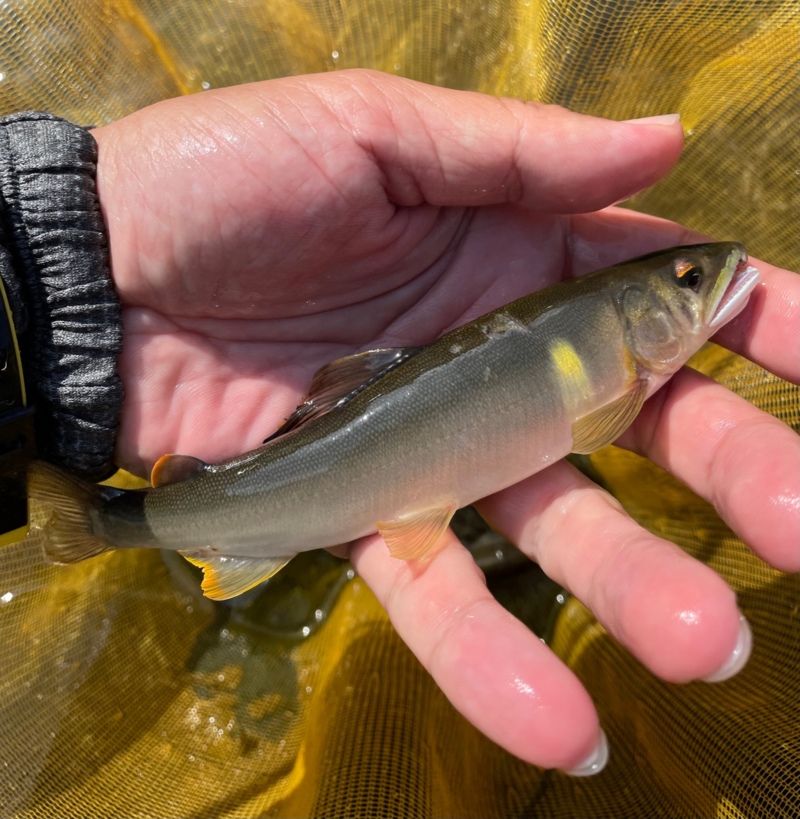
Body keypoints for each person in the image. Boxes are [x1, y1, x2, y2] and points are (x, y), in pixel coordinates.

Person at [2, 69, 798, 775]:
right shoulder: (614, 367)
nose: (707, 275)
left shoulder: (610, 348)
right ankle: (109, 523)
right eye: (689, 280)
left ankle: (114, 521)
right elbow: (593, 429)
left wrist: (39, 268)